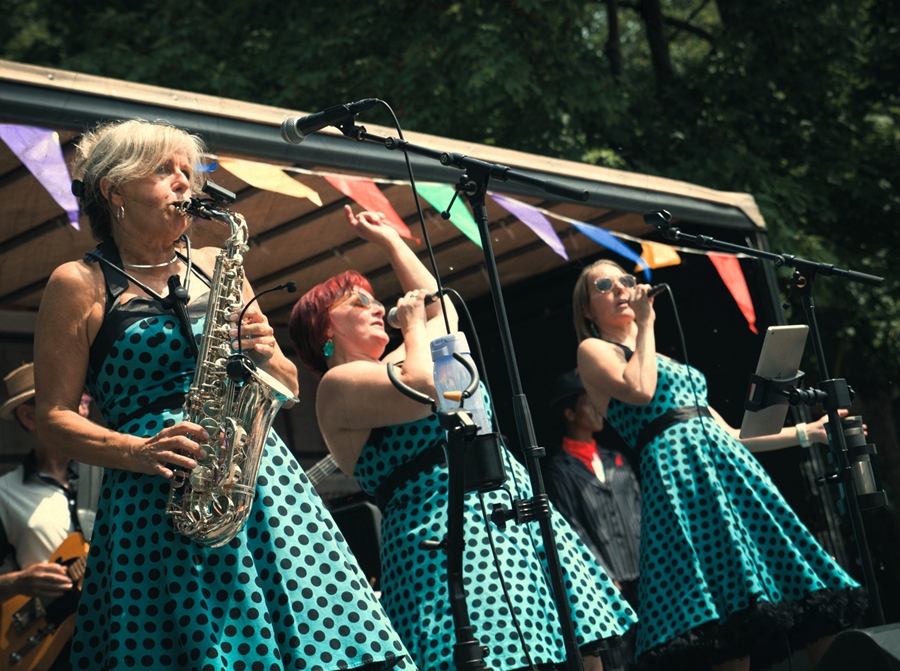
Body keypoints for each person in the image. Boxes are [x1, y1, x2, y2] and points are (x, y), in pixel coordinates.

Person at [33, 119, 411, 670]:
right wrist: (138, 451)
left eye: (188, 171)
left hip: (259, 481)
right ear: (114, 190)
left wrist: (267, 352)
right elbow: (53, 417)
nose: (185, 183)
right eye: (164, 171)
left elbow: (288, 386)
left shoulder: (216, 264)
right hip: (155, 497)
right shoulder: (77, 282)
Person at [288, 206, 637, 671]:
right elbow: (426, 389)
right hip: (443, 532)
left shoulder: (402, 356)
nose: (375, 307)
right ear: (324, 329)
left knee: (577, 645)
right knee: (494, 656)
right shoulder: (338, 385)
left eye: (373, 299)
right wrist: (413, 325)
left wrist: (391, 242)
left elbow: (444, 312)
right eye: (357, 302)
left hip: (505, 508)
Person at [571, 259, 867, 671]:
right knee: (728, 626)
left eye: (625, 279)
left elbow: (728, 432)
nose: (621, 288)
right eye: (604, 285)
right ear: (587, 310)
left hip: (732, 474)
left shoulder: (658, 357)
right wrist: (646, 323)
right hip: (683, 483)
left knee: (809, 602)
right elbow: (640, 390)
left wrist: (808, 433)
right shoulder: (594, 350)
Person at [0, 363, 100, 671]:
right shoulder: (4, 493)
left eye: (84, 400)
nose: (82, 412)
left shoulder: (110, 476)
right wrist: (17, 582)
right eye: (71, 402)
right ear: (28, 416)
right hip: (48, 643)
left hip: (114, 625)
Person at [544, 369, 641, 671]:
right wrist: (601, 574)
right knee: (619, 659)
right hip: (609, 581)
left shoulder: (616, 459)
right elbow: (571, 527)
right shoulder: (559, 470)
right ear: (570, 413)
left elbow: (639, 509)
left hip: (643, 572)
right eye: (590, 403)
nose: (599, 409)